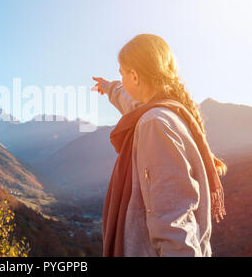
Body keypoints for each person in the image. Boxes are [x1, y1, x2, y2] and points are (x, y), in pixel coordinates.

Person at [92, 33, 227, 257]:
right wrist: (108, 87)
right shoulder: (170, 112)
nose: (122, 80)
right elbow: (127, 99)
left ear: (134, 77)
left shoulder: (155, 124)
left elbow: (173, 222)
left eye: (122, 73)